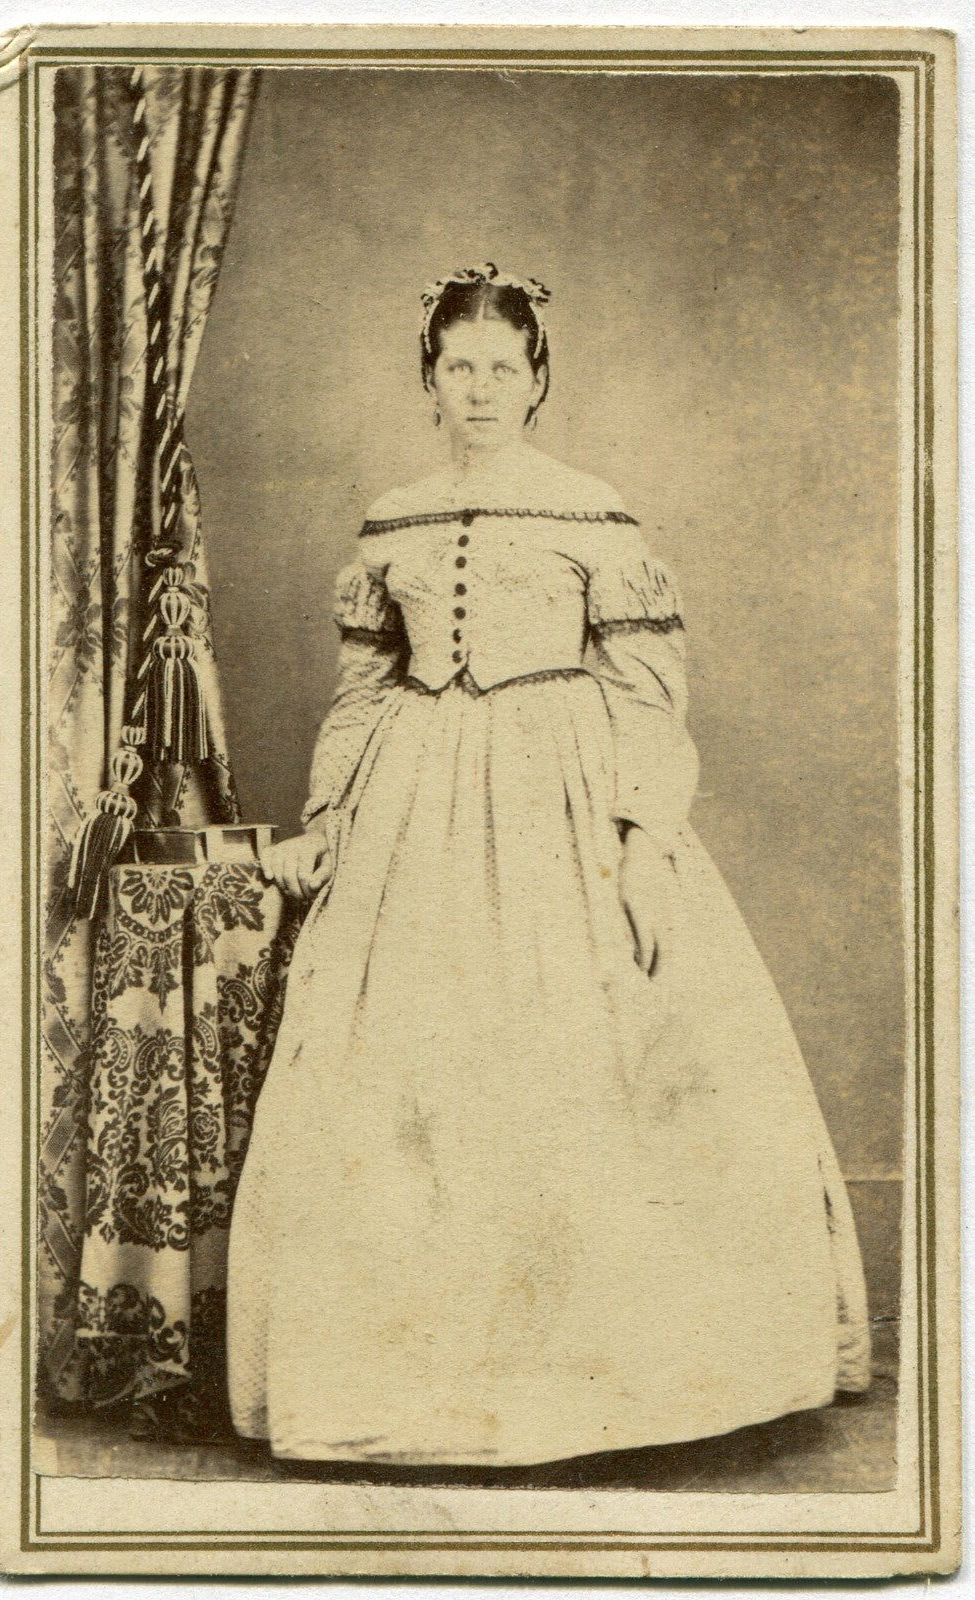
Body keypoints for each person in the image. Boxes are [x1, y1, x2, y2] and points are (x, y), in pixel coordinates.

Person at [226, 262, 871, 1467]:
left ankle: (606, 1385)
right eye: (457, 366)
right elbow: (361, 696)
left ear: (537, 381)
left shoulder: (592, 513)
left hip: (560, 800)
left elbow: (645, 693)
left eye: (502, 368)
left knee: (578, 1065)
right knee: (404, 1086)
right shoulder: (393, 519)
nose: (480, 388)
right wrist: (325, 820)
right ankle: (419, 1379)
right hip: (414, 808)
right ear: (429, 380)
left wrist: (640, 841)